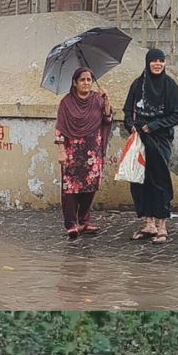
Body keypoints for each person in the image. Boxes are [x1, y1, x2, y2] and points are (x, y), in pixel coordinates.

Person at [123, 49, 178, 244]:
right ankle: (149, 224)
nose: (157, 64)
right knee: (141, 181)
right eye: (154, 61)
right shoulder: (138, 84)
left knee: (160, 180)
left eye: (161, 61)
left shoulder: (170, 86)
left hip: (160, 140)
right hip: (140, 140)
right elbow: (127, 111)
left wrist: (155, 125)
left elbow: (177, 114)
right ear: (147, 63)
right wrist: (130, 126)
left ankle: (162, 226)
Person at [54, 67, 114, 239]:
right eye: (82, 80)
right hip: (72, 151)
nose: (86, 83)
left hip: (92, 151)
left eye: (89, 79)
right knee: (71, 190)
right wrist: (61, 151)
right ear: (75, 83)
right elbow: (60, 128)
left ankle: (84, 221)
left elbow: (107, 119)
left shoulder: (98, 99)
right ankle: (71, 224)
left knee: (90, 187)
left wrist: (107, 102)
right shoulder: (66, 102)